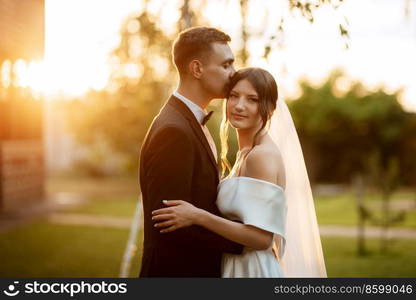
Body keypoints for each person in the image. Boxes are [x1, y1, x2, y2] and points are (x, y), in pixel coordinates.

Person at [152, 67, 327, 277]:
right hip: (235, 265)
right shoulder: (245, 153)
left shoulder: (262, 156)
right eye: (234, 96)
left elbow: (261, 238)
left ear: (270, 108)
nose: (239, 106)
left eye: (252, 99)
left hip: (252, 271)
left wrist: (197, 216)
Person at [138, 26, 244, 278]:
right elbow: (170, 224)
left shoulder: (186, 122)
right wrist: (244, 239)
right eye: (226, 65)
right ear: (196, 69)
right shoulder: (174, 131)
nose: (234, 73)